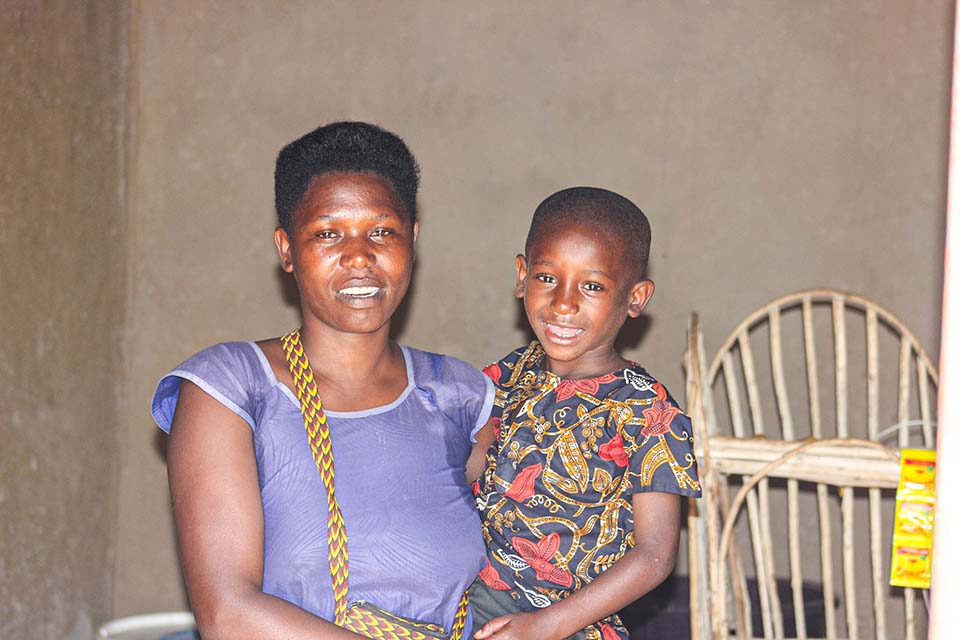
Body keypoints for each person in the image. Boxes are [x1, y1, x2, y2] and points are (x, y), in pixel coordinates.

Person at [151, 122, 496, 639]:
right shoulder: (233, 387)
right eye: (327, 233)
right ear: (287, 248)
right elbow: (229, 615)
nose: (359, 256)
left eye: (381, 231)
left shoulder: (457, 394)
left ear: (413, 240)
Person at [470, 187, 702, 640]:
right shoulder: (506, 375)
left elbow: (655, 557)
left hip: (570, 621)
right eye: (547, 278)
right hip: (470, 598)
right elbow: (468, 469)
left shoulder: (648, 413)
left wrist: (546, 626)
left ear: (636, 298)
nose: (563, 303)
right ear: (521, 276)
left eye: (592, 286)